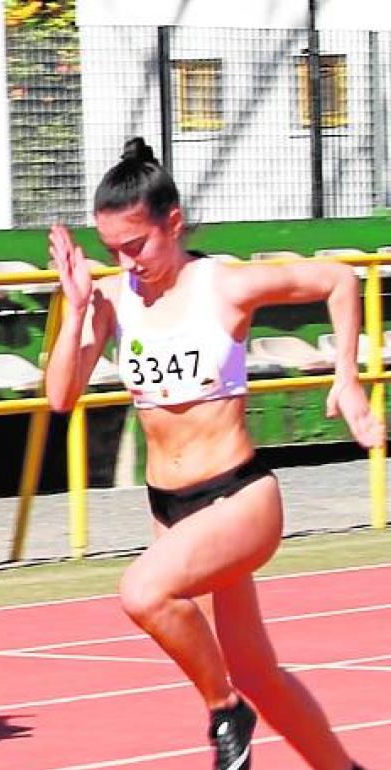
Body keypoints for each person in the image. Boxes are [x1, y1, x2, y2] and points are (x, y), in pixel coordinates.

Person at [45, 137, 377, 770]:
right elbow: (62, 397)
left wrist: (346, 377)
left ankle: (224, 709)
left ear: (173, 223)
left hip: (239, 497)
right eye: (113, 250)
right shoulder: (115, 299)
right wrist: (78, 306)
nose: (128, 262)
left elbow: (338, 280)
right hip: (170, 509)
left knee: (142, 592)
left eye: (137, 245)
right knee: (260, 670)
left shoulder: (222, 284)